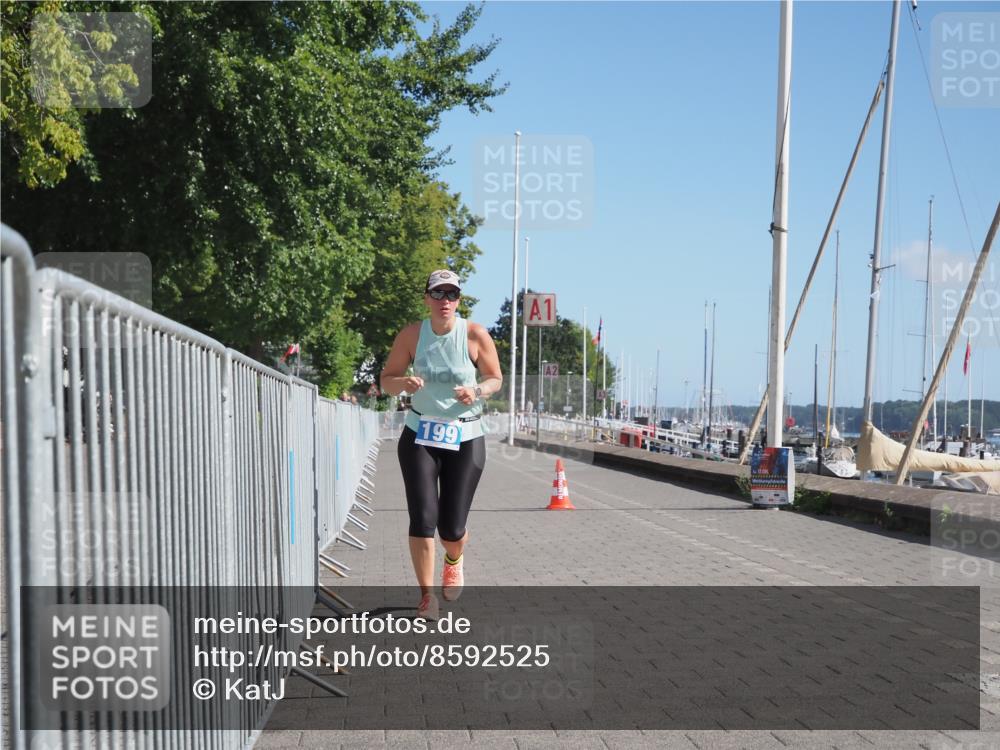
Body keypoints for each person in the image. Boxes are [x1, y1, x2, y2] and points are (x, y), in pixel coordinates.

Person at [380, 269, 502, 620]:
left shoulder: (475, 334)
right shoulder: (411, 335)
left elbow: (495, 378)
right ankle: (426, 597)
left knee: (451, 528)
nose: (445, 300)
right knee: (423, 518)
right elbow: (387, 380)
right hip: (420, 433)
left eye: (451, 294)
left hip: (465, 436)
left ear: (458, 300)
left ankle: (454, 557)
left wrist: (476, 390)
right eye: (438, 293)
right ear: (427, 299)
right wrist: (403, 383)